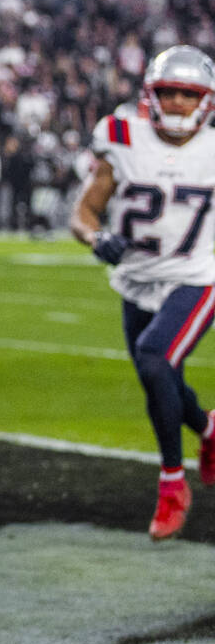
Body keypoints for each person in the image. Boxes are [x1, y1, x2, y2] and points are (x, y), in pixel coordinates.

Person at [69, 44, 215, 542]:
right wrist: (96, 237)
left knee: (155, 357)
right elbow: (83, 213)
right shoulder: (123, 137)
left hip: (198, 276)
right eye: (168, 92)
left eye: (187, 93)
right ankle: (210, 429)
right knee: (160, 376)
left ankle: (173, 484)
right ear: (150, 95)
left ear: (206, 99)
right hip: (136, 277)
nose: (176, 102)